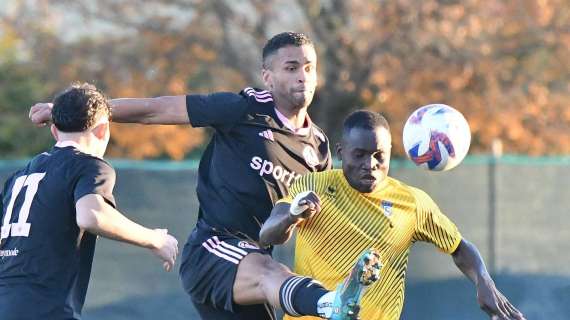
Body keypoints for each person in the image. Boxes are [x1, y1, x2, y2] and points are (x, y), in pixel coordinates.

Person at [29, 32, 378, 320]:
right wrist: (72, 112)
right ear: (268, 77)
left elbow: (278, 233)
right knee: (275, 275)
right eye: (291, 67)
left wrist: (298, 218)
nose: (303, 75)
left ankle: (327, 301)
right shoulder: (242, 108)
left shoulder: (318, 149)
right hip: (212, 250)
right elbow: (156, 109)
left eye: (309, 67)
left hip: (254, 264)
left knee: (271, 271)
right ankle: (330, 304)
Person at [259, 110, 527, 320]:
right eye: (360, 155)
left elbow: (459, 247)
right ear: (341, 152)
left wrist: (484, 281)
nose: (370, 165)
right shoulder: (313, 185)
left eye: (379, 156)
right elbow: (268, 233)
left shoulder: (412, 203)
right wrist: (292, 215)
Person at [1, 83, 179, 319]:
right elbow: (92, 215)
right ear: (103, 129)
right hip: (45, 308)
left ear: (54, 131)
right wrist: (155, 239)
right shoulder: (89, 165)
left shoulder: (19, 176)